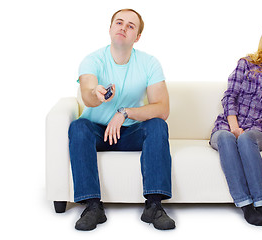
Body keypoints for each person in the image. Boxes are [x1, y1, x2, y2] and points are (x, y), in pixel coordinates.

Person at [68, 9, 175, 231]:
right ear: (110, 29)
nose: (123, 28)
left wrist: (125, 112)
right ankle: (92, 206)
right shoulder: (93, 59)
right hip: (97, 132)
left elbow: (162, 108)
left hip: (130, 132)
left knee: (157, 125)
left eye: (130, 26)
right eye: (119, 23)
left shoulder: (149, 63)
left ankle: (154, 206)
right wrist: (95, 95)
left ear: (137, 37)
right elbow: (87, 94)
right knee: (78, 127)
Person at [210, 27, 262, 226]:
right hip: (228, 125)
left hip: (258, 130)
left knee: (247, 138)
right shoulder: (246, 64)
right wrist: (234, 127)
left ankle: (260, 202)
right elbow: (230, 95)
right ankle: (244, 203)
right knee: (226, 138)